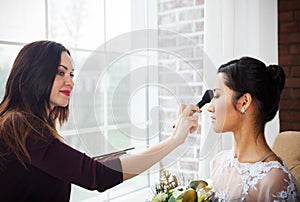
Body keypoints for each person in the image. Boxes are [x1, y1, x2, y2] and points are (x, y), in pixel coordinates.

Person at [0, 40, 201, 201]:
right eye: (60, 72)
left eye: (71, 74)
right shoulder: (21, 125)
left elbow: (86, 169)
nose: (70, 81)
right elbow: (97, 176)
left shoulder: (25, 123)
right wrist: (174, 141)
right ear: (35, 73)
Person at [207, 56, 299, 201]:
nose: (210, 108)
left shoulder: (275, 181)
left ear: (244, 102)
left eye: (217, 95)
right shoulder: (218, 162)